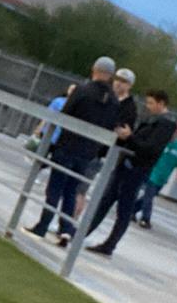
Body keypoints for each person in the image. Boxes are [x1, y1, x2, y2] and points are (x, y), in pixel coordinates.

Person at [25, 57, 122, 246]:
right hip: (88, 152)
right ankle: (66, 229)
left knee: (55, 188)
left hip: (68, 145)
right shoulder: (114, 101)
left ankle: (43, 225)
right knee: (71, 190)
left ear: (94, 69)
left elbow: (65, 115)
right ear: (111, 75)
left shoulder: (82, 90)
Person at [85, 90, 177, 257]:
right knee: (105, 201)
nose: (148, 106)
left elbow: (150, 148)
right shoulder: (154, 121)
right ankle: (83, 232)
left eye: (151, 103)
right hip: (126, 165)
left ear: (161, 103)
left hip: (136, 169)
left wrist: (130, 137)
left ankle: (109, 244)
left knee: (124, 209)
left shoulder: (165, 124)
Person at [135, 127, 177, 228]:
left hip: (163, 177)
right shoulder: (163, 141)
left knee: (148, 197)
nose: (176, 134)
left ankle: (132, 210)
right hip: (153, 173)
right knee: (149, 197)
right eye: (175, 132)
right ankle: (145, 219)